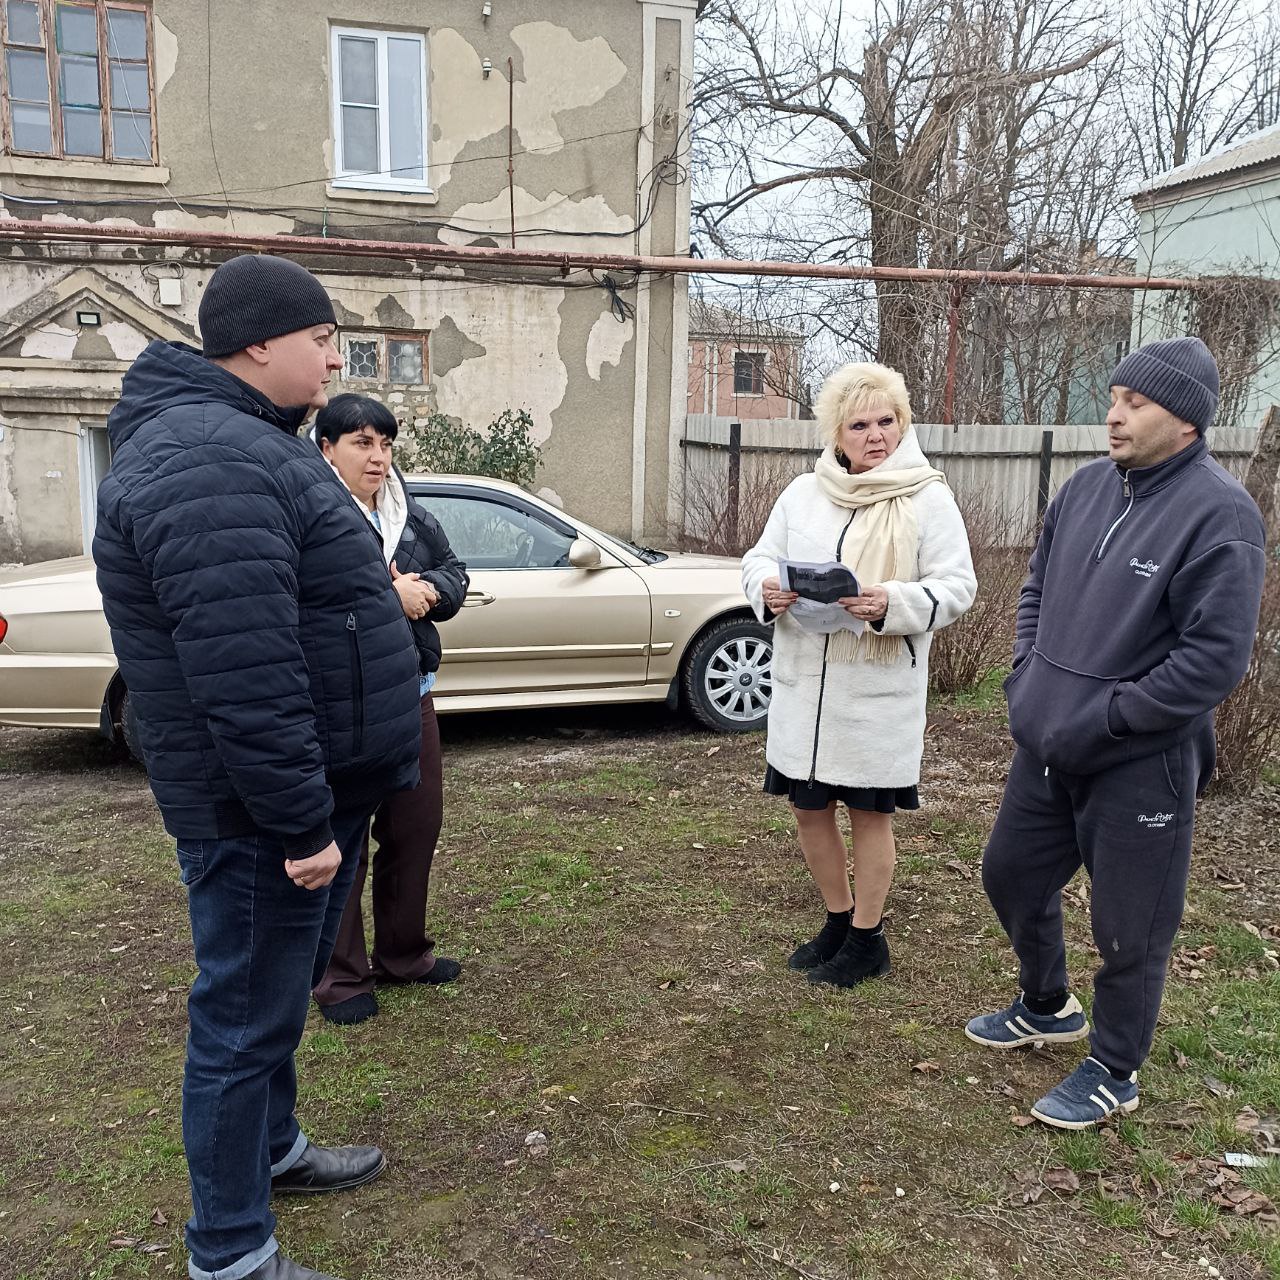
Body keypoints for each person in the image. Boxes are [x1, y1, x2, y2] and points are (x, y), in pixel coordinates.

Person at [94, 255, 423, 1280]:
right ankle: (231, 1252)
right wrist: (299, 823)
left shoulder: (238, 443)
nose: (334, 353)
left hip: (299, 797)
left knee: (270, 1004)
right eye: (320, 335)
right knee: (240, 1022)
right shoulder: (209, 458)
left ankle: (272, 1151)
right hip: (260, 817)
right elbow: (243, 669)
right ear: (257, 344)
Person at [966, 336, 1266, 1129]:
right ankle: (1046, 1003)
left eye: (1137, 403)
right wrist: (1029, 675)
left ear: (1188, 422)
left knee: (1131, 927)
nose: (1115, 415)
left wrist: (1111, 717)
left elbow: (1212, 662)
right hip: (1047, 745)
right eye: (1115, 398)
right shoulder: (1087, 488)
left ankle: (1114, 1068)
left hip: (1142, 762)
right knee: (1011, 877)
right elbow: (1034, 586)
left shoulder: (1222, 516)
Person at [742, 362, 976, 987]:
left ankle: (870, 938)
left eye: (887, 421)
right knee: (809, 810)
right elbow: (760, 558)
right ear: (836, 434)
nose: (876, 435)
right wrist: (766, 589)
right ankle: (838, 921)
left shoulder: (926, 496)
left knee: (869, 816)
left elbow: (957, 586)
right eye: (860, 424)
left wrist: (892, 605)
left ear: (903, 423)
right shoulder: (803, 492)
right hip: (802, 690)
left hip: (875, 695)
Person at [309, 394, 469, 1025]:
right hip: (345, 705)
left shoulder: (411, 517)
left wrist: (430, 590)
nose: (378, 459)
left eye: (385, 445)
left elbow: (456, 571)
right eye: (361, 444)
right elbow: (315, 599)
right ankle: (340, 978)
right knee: (344, 837)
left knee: (414, 828)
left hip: (414, 694)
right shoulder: (315, 518)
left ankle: (404, 955)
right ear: (327, 450)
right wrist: (389, 593)